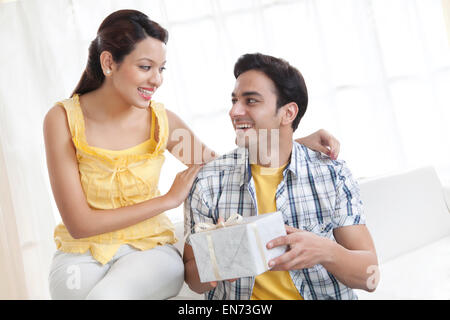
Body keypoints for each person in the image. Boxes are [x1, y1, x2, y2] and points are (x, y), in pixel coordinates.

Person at [43, 10, 340, 300]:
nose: (156, 80)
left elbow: (221, 167)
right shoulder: (61, 119)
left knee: (108, 295)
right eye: (146, 67)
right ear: (108, 62)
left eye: (161, 69)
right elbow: (79, 224)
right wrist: (167, 200)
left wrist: (293, 141)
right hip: (80, 254)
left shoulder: (162, 121)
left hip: (150, 251)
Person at [183, 53, 379, 300]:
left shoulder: (332, 174)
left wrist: (326, 251)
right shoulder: (209, 181)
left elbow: (370, 277)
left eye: (251, 101)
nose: (234, 111)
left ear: (288, 113)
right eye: (234, 101)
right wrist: (216, 261)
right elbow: (192, 278)